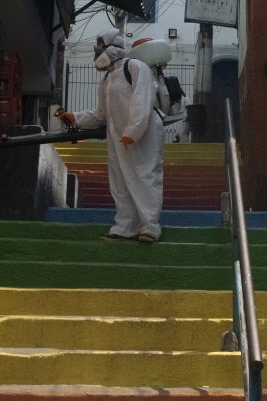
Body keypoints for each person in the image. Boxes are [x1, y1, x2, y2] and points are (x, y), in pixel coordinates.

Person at [57, 28, 164, 243]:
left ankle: (150, 228)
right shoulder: (107, 80)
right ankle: (125, 227)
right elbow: (101, 115)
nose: (97, 53)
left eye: (100, 47)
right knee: (120, 181)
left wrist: (133, 131)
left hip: (143, 133)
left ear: (110, 48)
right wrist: (75, 117)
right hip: (118, 136)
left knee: (144, 176)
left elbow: (142, 101)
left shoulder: (135, 67)